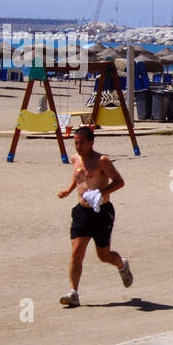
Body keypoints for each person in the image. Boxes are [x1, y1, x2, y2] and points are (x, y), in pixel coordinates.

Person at [57, 126, 132, 307]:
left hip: (101, 213)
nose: (78, 147)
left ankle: (121, 265)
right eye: (75, 143)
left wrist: (101, 193)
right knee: (76, 252)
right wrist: (68, 191)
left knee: (104, 255)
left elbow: (119, 182)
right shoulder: (75, 159)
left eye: (82, 143)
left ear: (92, 142)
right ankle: (74, 292)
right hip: (82, 212)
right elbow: (79, 177)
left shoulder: (102, 161)